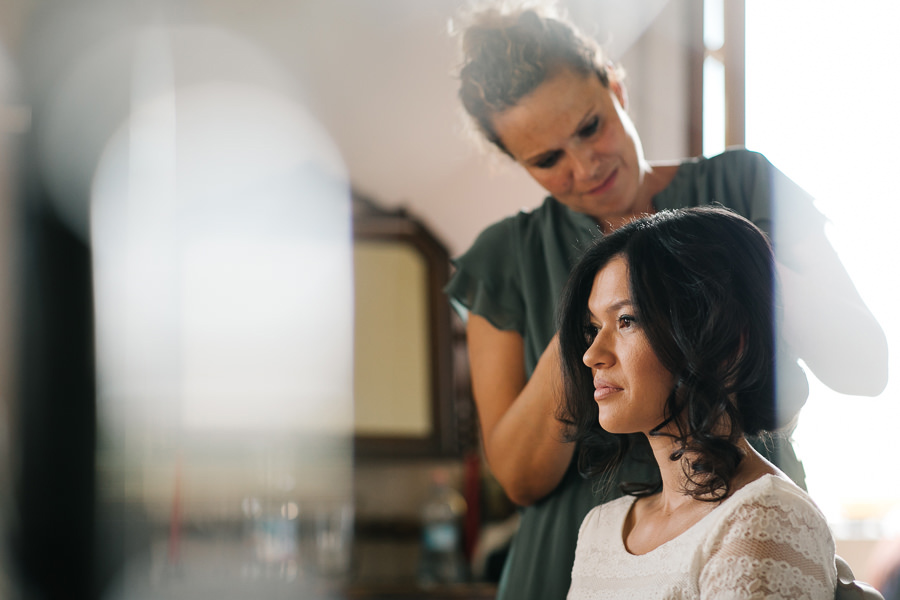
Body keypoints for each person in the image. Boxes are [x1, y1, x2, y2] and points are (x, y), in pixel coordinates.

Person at [444, 6, 887, 599]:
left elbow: (865, 367)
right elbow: (521, 478)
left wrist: (708, 257)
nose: (585, 165)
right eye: (547, 160)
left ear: (616, 87)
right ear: (517, 163)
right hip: (568, 558)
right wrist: (602, 288)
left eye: (590, 126)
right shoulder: (504, 258)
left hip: (737, 530)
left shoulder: (745, 186)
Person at [557, 206, 837, 598]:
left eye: (626, 321)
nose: (592, 355)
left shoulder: (764, 517)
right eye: (592, 328)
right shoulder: (601, 527)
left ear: (725, 343)